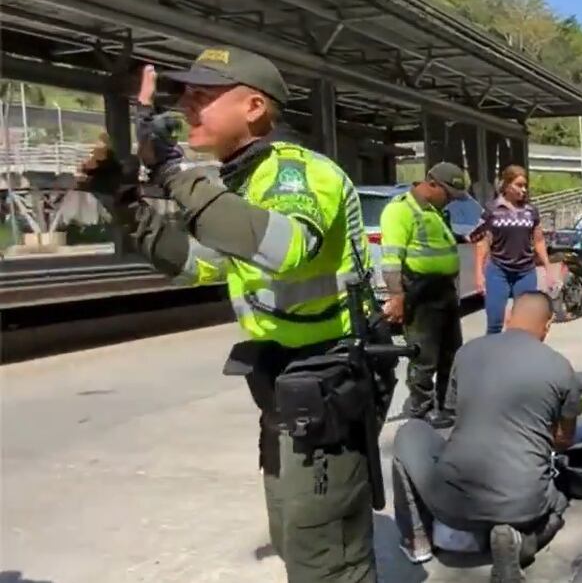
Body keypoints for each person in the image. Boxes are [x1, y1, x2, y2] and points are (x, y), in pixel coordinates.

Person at [76, 47, 377, 581]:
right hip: (284, 383)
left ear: (255, 107)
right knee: (292, 533)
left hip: (330, 376)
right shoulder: (241, 184)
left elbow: (284, 249)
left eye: (204, 96)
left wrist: (172, 171)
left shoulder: (295, 174)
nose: (189, 107)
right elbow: (199, 264)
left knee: (324, 552)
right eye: (186, 95)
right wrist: (124, 201)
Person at [390, 292, 582, 582]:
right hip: (523, 507)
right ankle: (522, 541)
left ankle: (418, 542)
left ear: (508, 317)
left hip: (453, 504)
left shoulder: (468, 352)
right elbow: (564, 440)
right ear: (547, 325)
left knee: (410, 432)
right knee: (559, 497)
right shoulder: (560, 367)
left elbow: (455, 415)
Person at [380, 162, 468, 428]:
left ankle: (448, 404)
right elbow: (391, 260)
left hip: (444, 292)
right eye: (449, 195)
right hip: (420, 293)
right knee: (424, 356)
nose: (450, 201)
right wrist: (397, 296)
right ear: (432, 184)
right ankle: (422, 407)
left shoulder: (435, 211)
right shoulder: (400, 211)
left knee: (451, 353)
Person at [473, 165, 556, 335]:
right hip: (498, 271)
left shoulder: (531, 211)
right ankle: (493, 357)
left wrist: (548, 267)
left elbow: (539, 240)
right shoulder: (492, 210)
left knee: (525, 323)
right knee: (495, 322)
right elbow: (483, 243)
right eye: (519, 185)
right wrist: (479, 274)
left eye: (525, 185)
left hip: (525, 271)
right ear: (506, 185)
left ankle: (519, 357)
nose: (523, 190)